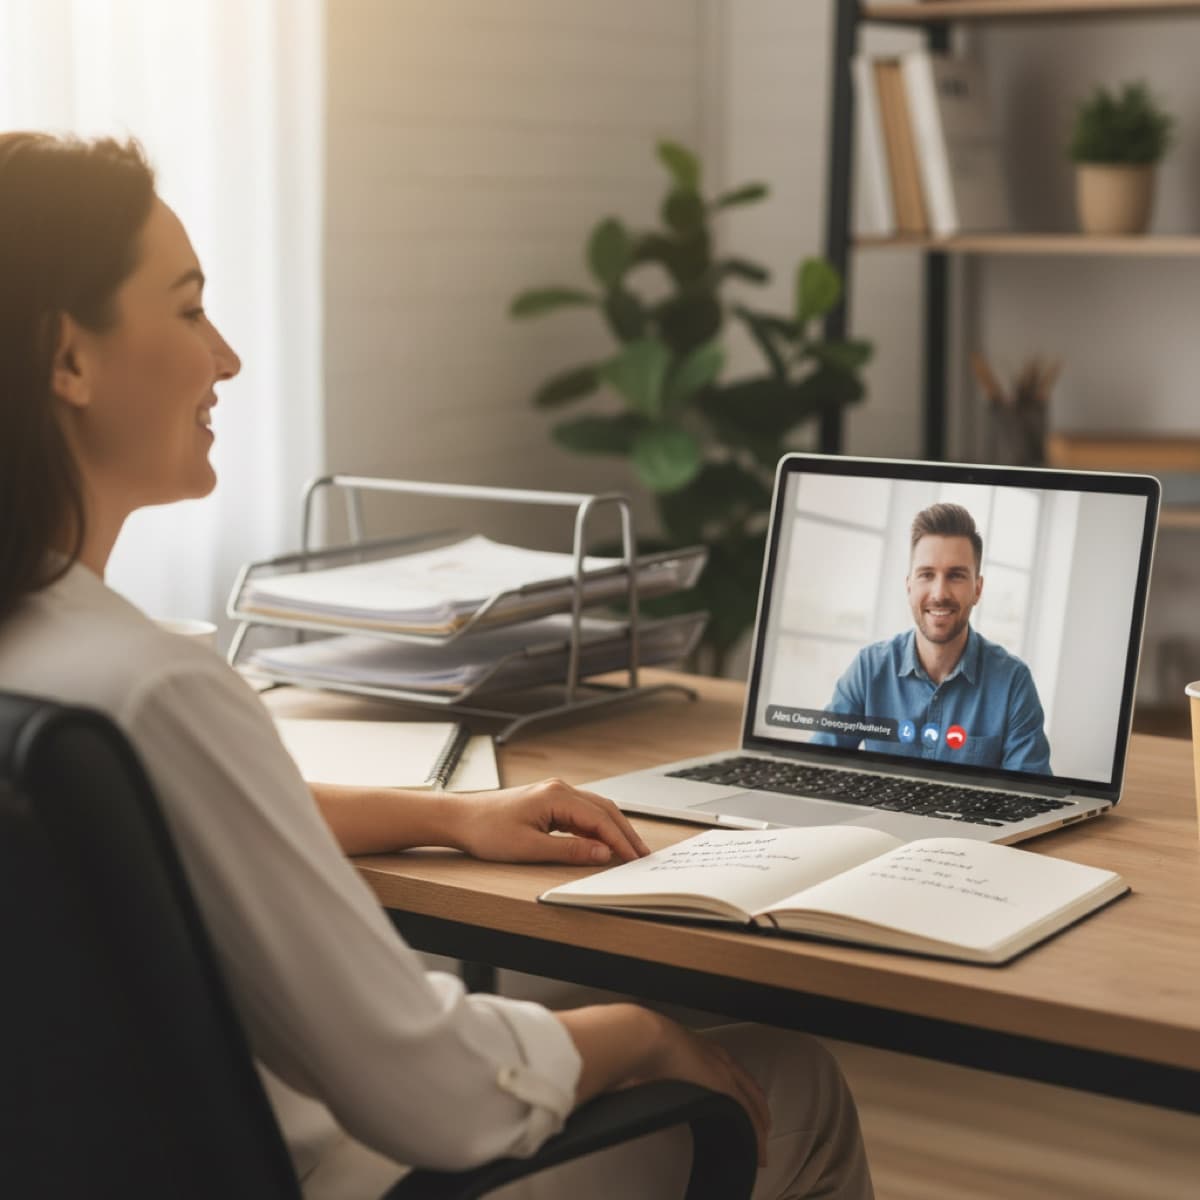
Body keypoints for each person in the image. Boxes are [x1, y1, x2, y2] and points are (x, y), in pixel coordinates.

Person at [0, 132, 873, 1199]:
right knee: (800, 1086)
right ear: (67, 357)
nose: (224, 356)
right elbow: (440, 1096)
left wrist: (445, 815)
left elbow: (161, 821)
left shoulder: (62, 678)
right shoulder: (154, 688)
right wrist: (642, 1033)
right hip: (340, 1174)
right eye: (187, 309)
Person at [810, 502, 1051, 775]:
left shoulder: (1013, 683)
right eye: (926, 574)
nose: (939, 593)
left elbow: (1031, 797)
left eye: (956, 576)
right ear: (909, 585)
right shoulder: (869, 669)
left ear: (978, 589)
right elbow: (817, 765)